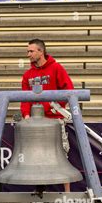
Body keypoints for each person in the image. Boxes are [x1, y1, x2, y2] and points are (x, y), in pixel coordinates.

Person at [21, 39, 74, 193]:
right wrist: (26, 115)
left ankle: (68, 193)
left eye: (31, 51)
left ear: (41, 52)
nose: (28, 54)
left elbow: (68, 90)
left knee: (62, 154)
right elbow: (25, 98)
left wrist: (55, 109)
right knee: (36, 157)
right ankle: (39, 191)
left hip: (55, 120)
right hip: (36, 123)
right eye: (27, 51)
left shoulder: (56, 68)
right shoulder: (27, 75)